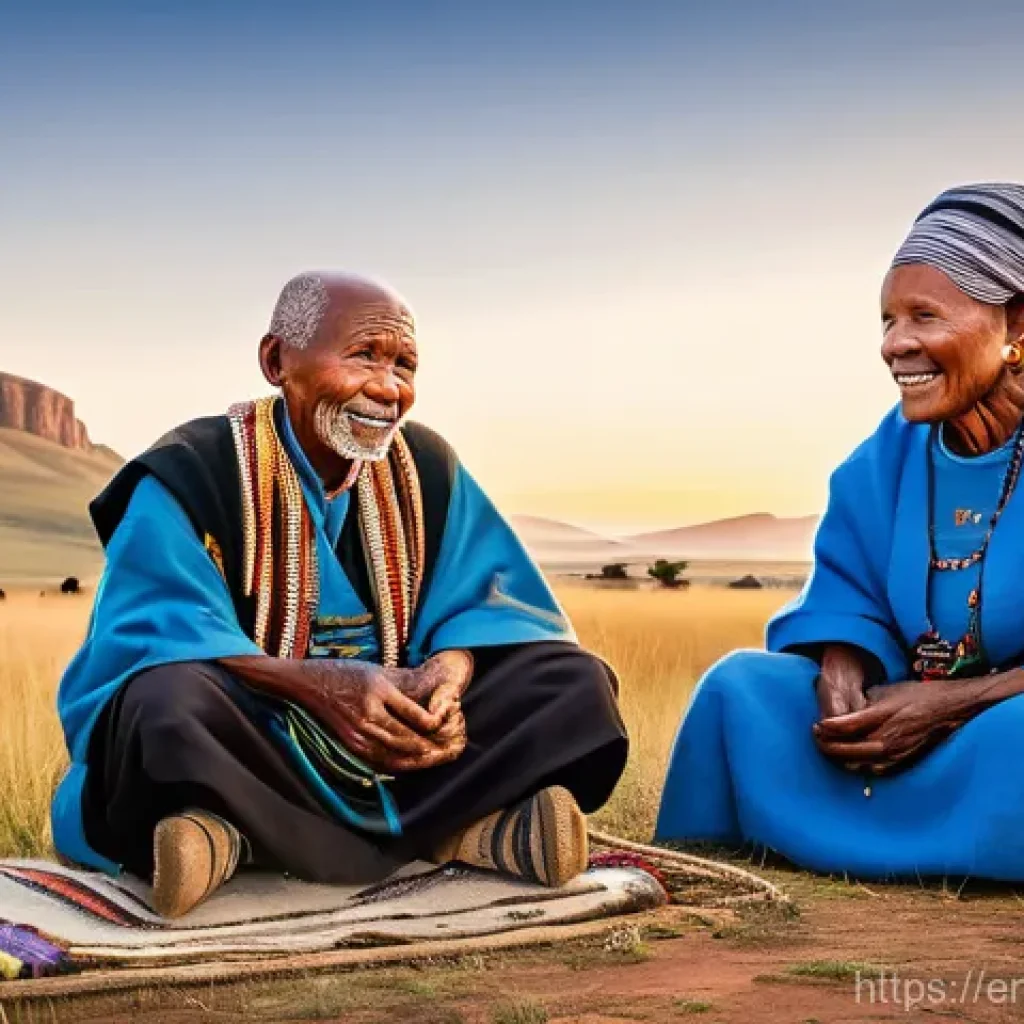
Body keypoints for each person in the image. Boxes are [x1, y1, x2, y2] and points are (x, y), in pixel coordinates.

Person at [53, 272, 627, 917]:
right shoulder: (192, 468)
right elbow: (159, 627)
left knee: (572, 682)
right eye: (363, 356)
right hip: (263, 732)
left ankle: (241, 838)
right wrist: (318, 686)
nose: (387, 388)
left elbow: (491, 600)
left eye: (404, 365)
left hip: (409, 738)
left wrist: (449, 673)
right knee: (165, 704)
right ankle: (455, 830)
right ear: (277, 361)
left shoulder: (427, 465)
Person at [656, 183, 1024, 881]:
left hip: (1001, 721)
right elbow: (847, 591)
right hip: (900, 712)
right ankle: (703, 866)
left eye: (924, 316)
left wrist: (955, 703)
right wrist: (842, 667)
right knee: (740, 687)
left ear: (1016, 323)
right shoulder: (882, 459)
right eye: (887, 320)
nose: (894, 345)